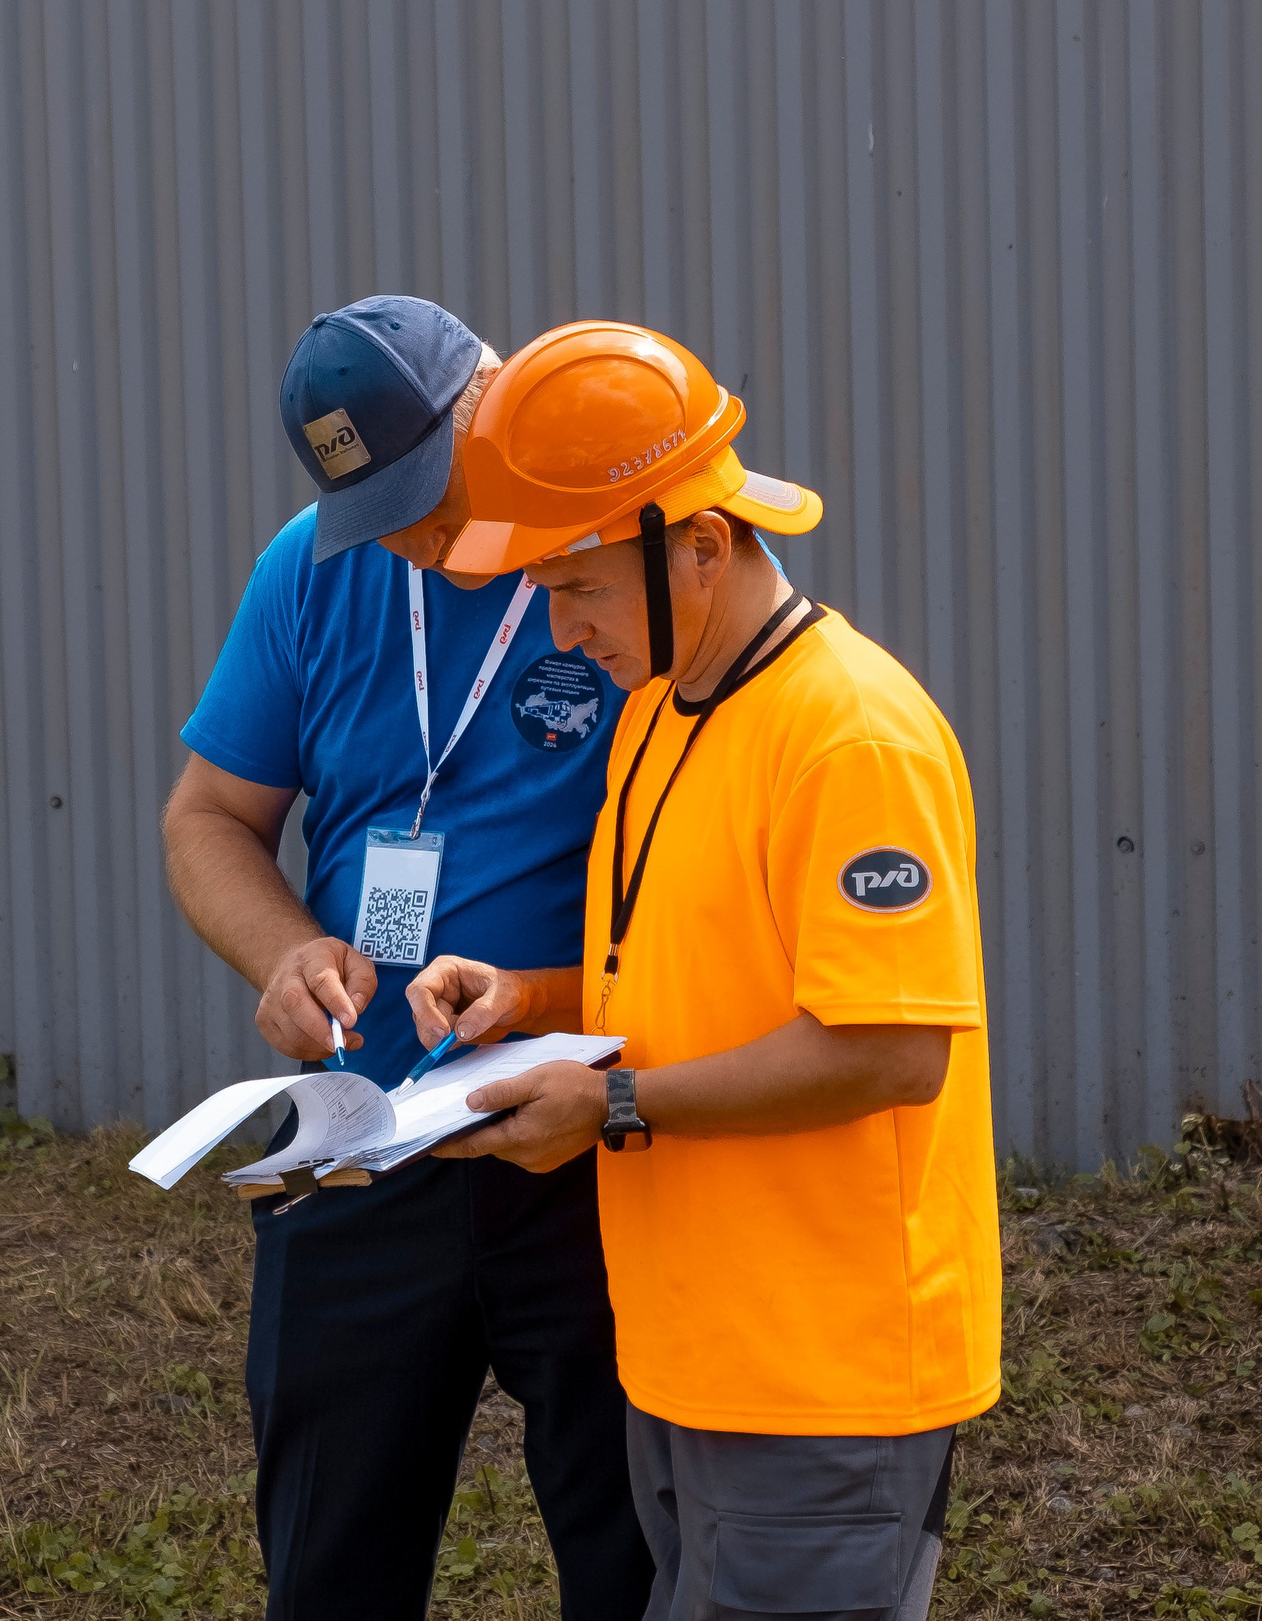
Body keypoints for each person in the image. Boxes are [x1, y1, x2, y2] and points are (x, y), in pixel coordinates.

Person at [407, 320, 1001, 1621]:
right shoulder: (660, 711)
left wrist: (614, 1108)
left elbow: (891, 1047)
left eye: (581, 588)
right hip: (686, 1359)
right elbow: (682, 979)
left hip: (818, 1380)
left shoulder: (851, 737)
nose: (562, 634)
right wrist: (532, 1002)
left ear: (703, 548)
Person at [161, 296, 652, 1618]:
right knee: (332, 1561)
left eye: (435, 495)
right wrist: (285, 951)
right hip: (371, 1132)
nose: (425, 544)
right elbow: (209, 819)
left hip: (590, 1137)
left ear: (497, 402)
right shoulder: (312, 571)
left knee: (637, 1554)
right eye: (385, 514)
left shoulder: (618, 568)